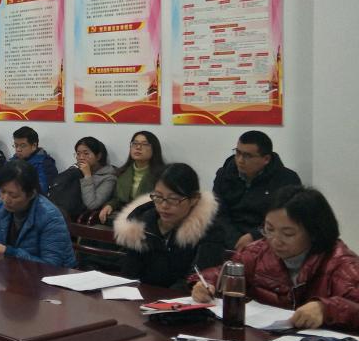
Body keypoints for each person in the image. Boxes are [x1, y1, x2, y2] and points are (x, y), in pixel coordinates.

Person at [193, 186, 359, 330]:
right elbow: (222, 273)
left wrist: (325, 309)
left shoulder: (341, 263)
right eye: (269, 229)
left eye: (288, 234)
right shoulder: (258, 252)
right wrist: (205, 284)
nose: (275, 241)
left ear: (314, 233)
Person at [113, 163, 232, 289]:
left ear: (194, 199)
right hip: (141, 296)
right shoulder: (141, 224)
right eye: (158, 197)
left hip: (181, 299)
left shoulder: (209, 230)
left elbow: (198, 279)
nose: (164, 205)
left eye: (174, 199)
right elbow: (129, 274)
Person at [0, 161, 75, 267]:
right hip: (14, 272)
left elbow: (51, 265)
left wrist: (7, 251)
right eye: (2, 192)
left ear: (31, 194)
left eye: (13, 195)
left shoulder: (50, 216)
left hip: (54, 281)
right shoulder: (1, 207)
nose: (5, 199)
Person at [212, 130, 301, 252]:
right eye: (238, 153)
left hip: (267, 240)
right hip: (228, 239)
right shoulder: (224, 174)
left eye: (247, 156)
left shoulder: (287, 179)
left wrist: (254, 236)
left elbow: (286, 218)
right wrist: (234, 240)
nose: (240, 160)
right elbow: (218, 213)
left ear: (266, 159)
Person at [98, 131, 165, 224]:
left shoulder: (162, 175)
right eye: (135, 143)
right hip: (125, 218)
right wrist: (110, 206)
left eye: (144, 144)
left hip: (149, 220)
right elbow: (118, 199)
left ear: (154, 149)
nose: (138, 147)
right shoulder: (122, 172)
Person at [47, 137, 117, 220]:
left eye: (86, 154)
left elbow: (92, 205)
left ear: (98, 156)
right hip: (58, 210)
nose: (81, 157)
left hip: (78, 216)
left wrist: (87, 176)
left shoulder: (108, 178)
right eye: (78, 154)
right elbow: (56, 185)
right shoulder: (76, 169)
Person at [0, 126, 58, 200]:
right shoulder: (13, 160)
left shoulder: (45, 164)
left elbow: (40, 191)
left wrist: (3, 198)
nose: (18, 149)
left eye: (22, 146)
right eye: (16, 145)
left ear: (34, 146)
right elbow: (1, 179)